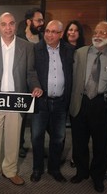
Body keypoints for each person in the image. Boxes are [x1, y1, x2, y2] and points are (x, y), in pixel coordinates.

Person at [0, 12, 43, 186]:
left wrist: (36, 86)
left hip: (17, 99)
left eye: (11, 24)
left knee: (13, 138)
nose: (8, 28)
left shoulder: (27, 46)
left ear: (16, 26)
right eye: (4, 24)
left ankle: (10, 170)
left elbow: (31, 73)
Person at [69, 21, 107, 193]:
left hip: (102, 104)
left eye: (103, 33)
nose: (98, 35)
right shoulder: (80, 53)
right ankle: (81, 172)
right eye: (96, 32)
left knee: (101, 144)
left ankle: (97, 177)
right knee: (79, 141)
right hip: (81, 102)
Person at [30, 20, 74, 183]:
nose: (49, 34)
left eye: (54, 32)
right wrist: (35, 85)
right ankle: (37, 168)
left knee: (58, 137)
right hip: (41, 101)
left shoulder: (70, 50)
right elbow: (31, 71)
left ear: (61, 34)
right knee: (36, 137)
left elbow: (72, 74)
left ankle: (54, 169)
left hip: (61, 101)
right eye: (47, 31)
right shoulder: (36, 49)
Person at [16, 7, 45, 158]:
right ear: (29, 21)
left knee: (38, 118)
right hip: (22, 84)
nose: (42, 23)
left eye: (42, 20)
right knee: (21, 117)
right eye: (38, 20)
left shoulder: (44, 39)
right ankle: (19, 145)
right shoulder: (18, 39)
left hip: (40, 85)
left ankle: (38, 146)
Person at [63, 20, 86, 168]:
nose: (72, 32)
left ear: (80, 33)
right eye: (70, 29)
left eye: (75, 30)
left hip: (77, 95)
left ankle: (75, 156)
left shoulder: (84, 51)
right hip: (61, 93)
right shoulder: (60, 48)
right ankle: (58, 153)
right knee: (57, 129)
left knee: (78, 129)